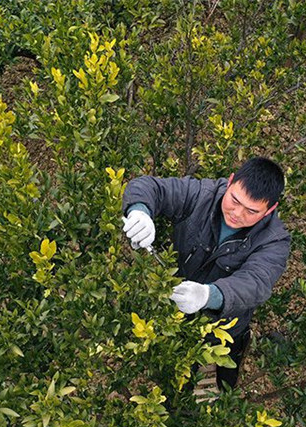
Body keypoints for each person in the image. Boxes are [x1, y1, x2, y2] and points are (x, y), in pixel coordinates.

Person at [121, 156, 291, 392]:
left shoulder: (274, 241)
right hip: (175, 314)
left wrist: (208, 295)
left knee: (220, 377)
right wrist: (139, 212)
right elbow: (149, 187)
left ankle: (215, 402)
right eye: (234, 200)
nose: (237, 214)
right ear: (230, 182)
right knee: (178, 375)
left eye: (251, 211)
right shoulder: (202, 194)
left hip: (224, 328)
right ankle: (178, 403)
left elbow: (256, 282)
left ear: (269, 210)